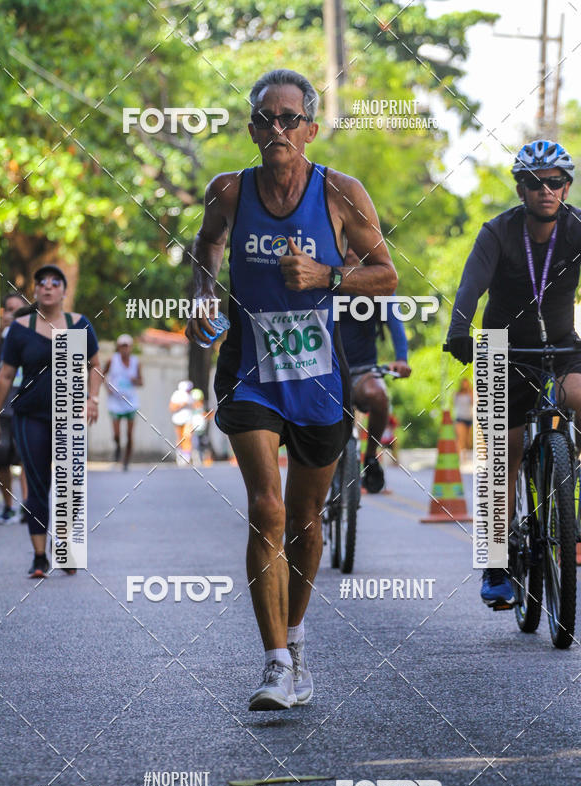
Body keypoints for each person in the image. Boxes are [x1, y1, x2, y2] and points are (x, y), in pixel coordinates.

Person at [186, 68, 397, 709]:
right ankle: (275, 663)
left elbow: (385, 275)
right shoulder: (228, 190)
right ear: (252, 128)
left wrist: (326, 275)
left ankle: (296, 637)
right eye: (266, 119)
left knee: (307, 521)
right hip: (250, 371)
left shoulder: (340, 192)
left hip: (317, 379)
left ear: (309, 127)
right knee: (267, 509)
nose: (279, 130)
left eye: (290, 119)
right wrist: (201, 294)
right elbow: (206, 245)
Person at [445, 139, 581, 609]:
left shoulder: (578, 227)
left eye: (555, 182)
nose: (546, 191)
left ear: (567, 187)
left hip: (562, 348)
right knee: (503, 456)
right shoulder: (497, 232)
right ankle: (496, 566)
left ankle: (570, 488)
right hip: (503, 349)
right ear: (520, 188)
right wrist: (459, 328)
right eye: (534, 183)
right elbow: (470, 286)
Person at [0, 264, 100, 577]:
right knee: (37, 484)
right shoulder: (21, 328)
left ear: (63, 291)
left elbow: (94, 366)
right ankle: (39, 556)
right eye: (42, 283)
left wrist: (93, 398)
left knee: (69, 484)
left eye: (54, 283)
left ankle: (66, 548)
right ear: (35, 291)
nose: (48, 287)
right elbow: (5, 375)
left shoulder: (79, 325)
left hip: (69, 415)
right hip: (29, 415)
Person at [339, 247, 411, 492]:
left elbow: (395, 321)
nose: (351, 251)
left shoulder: (376, 284)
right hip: (325, 371)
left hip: (363, 370)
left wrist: (401, 358)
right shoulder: (321, 277)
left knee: (379, 396)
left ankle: (370, 457)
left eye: (355, 245)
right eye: (344, 243)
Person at [0, 292, 29, 523]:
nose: (12, 313)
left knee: (25, 459)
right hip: (1, 410)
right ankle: (8, 506)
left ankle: (26, 507)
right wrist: (2, 331)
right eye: (8, 309)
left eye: (17, 310)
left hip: (25, 408)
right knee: (1, 460)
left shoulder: (31, 338)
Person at [103, 334, 142, 470]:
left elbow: (141, 382)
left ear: (130, 348)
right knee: (117, 433)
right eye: (122, 346)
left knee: (130, 434)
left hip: (130, 402)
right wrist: (107, 387)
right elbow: (102, 374)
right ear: (118, 347)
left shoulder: (136, 362)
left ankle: (126, 460)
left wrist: (134, 381)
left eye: (127, 346)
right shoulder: (111, 360)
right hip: (115, 401)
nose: (125, 349)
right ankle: (118, 447)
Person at [169, 380, 194, 465]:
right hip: (178, 419)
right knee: (180, 439)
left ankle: (187, 457)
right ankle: (179, 456)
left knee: (187, 437)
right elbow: (172, 407)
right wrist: (182, 404)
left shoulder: (191, 395)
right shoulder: (177, 395)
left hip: (188, 420)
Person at [453, 378, 473, 457]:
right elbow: (454, 404)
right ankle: (459, 457)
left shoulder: (471, 393)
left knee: (468, 441)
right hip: (460, 418)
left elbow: (474, 403)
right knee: (461, 439)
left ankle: (465, 456)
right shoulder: (457, 394)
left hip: (469, 418)